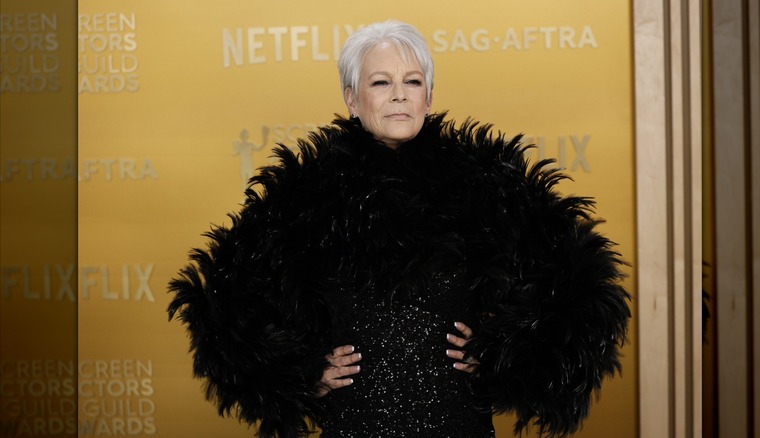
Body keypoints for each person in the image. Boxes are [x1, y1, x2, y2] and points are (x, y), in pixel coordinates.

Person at [168, 20, 630, 438]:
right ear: (351, 97)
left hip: (457, 424)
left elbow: (582, 283)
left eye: (413, 81)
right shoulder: (304, 196)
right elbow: (221, 306)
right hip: (355, 424)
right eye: (381, 82)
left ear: (429, 96)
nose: (399, 94)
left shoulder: (487, 186)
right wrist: (299, 372)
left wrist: (507, 356)